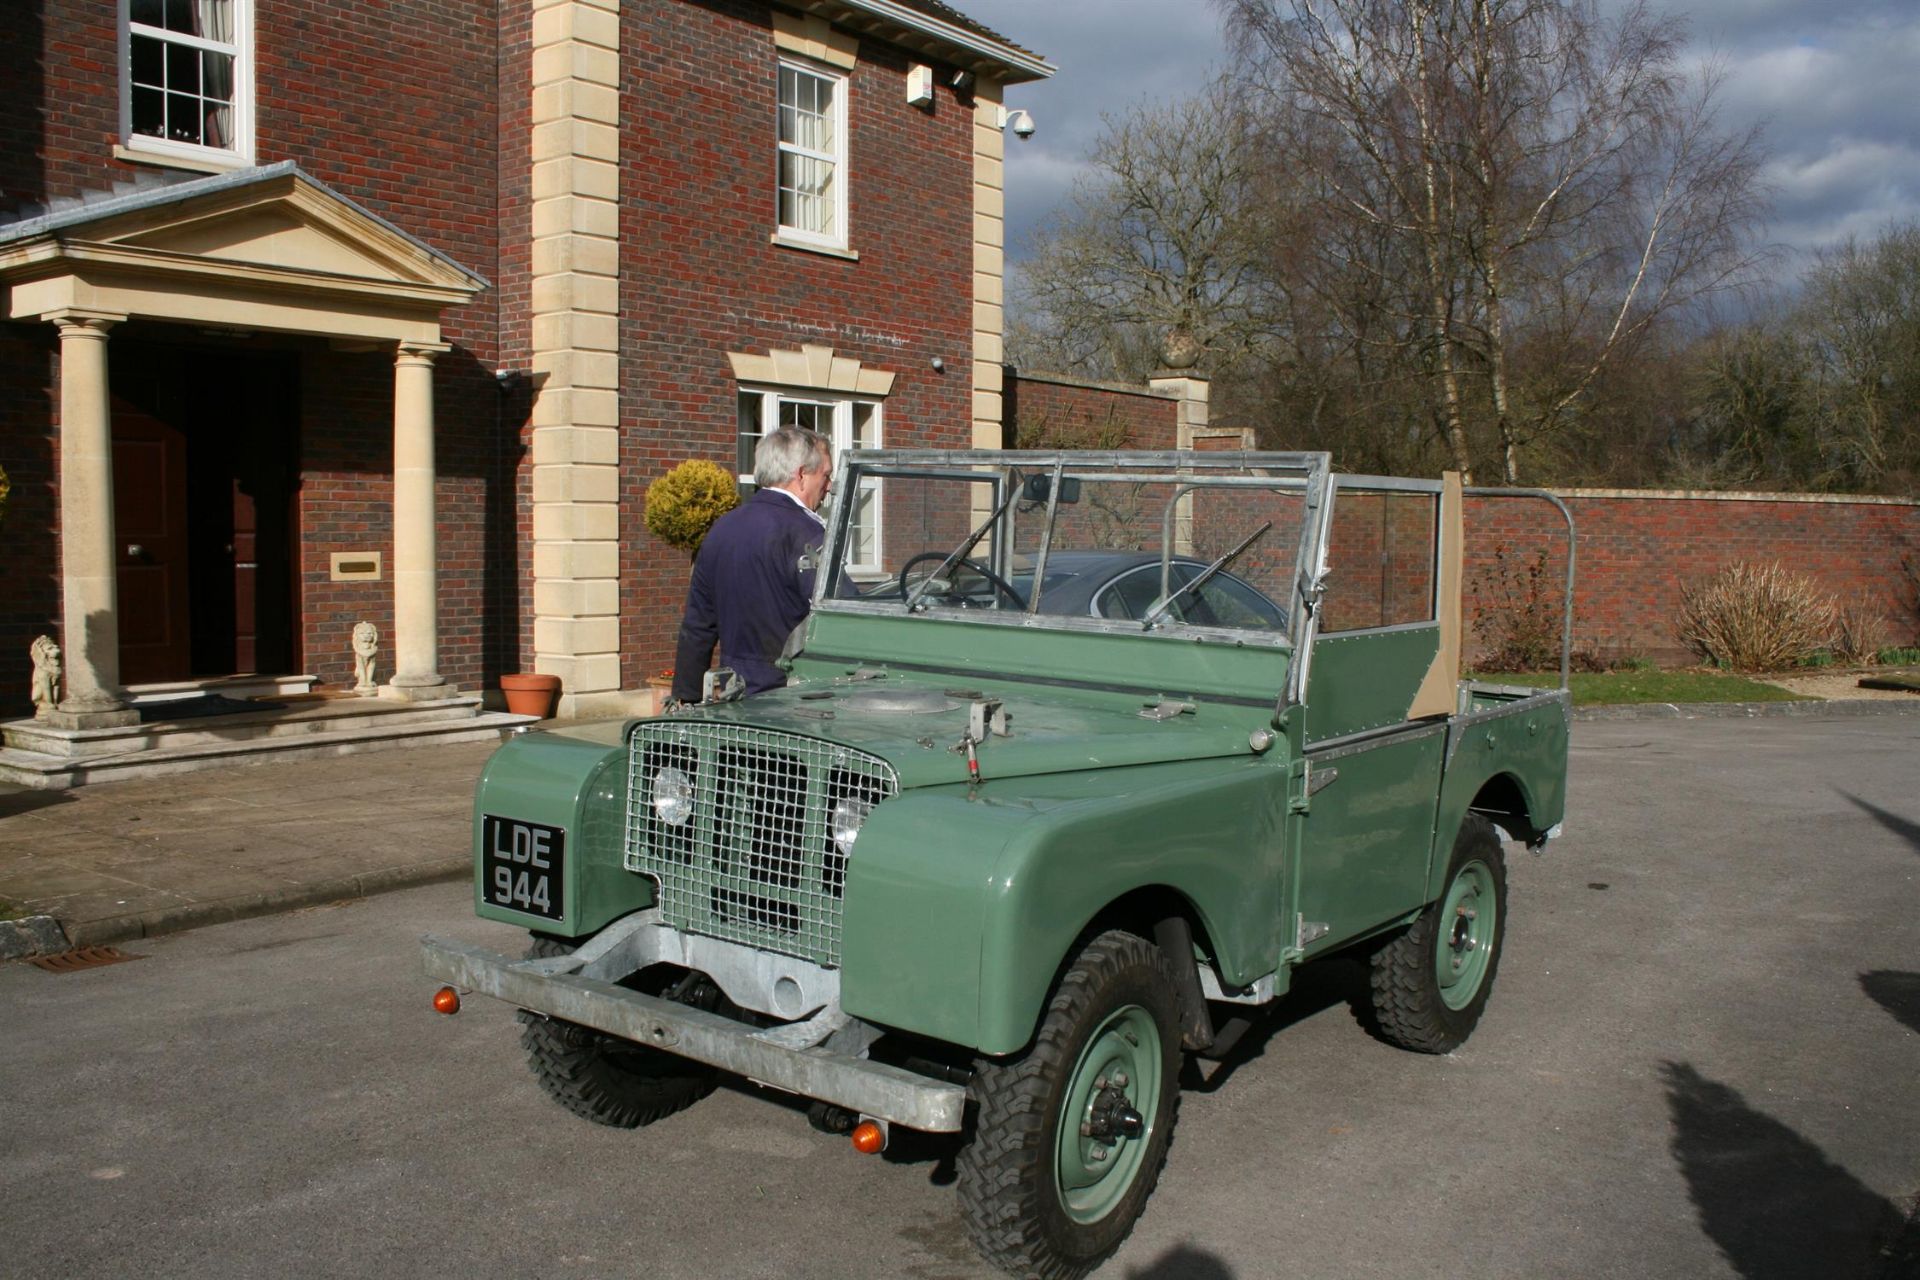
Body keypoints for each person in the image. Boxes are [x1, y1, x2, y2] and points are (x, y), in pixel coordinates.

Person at [670, 426, 832, 703]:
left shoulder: (722, 528)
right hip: (797, 698)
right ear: (802, 475)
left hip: (737, 694)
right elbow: (835, 619)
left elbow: (698, 625)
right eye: (826, 476)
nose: (829, 486)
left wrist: (685, 699)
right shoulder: (807, 533)